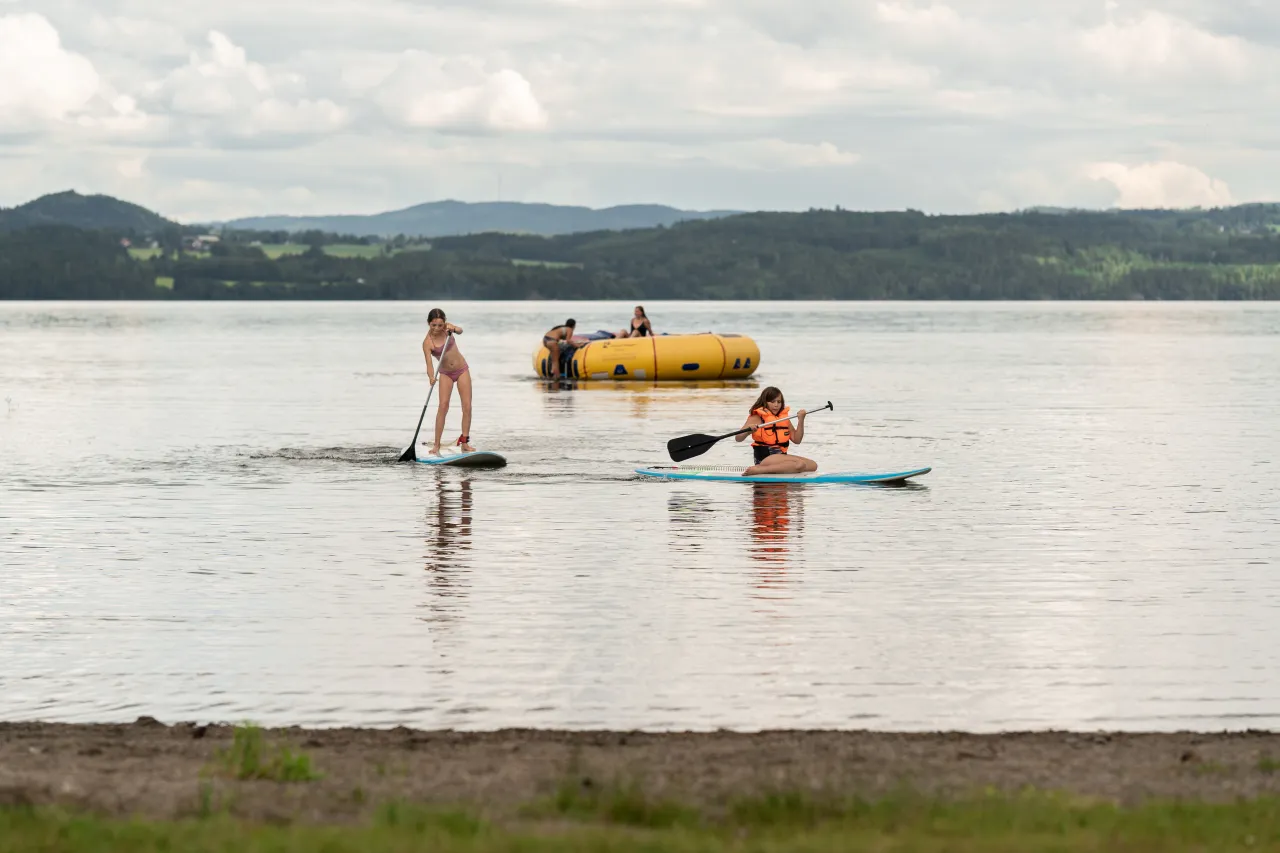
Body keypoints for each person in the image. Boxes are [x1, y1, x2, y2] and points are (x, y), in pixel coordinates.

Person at [422, 307, 474, 455]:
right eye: (433, 325)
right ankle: (436, 446)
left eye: (440, 325)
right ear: (428, 323)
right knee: (443, 406)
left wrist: (454, 328)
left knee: (467, 406)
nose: (437, 328)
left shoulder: (447, 329)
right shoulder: (427, 343)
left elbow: (460, 330)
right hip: (445, 374)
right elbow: (429, 365)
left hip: (462, 370)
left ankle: (464, 443)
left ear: (443, 323)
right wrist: (431, 377)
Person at [735, 386, 817, 476]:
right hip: (765, 458)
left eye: (779, 402)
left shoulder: (783, 418)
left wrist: (801, 420)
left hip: (781, 457)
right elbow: (738, 438)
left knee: (813, 466)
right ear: (765, 402)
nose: (776, 405)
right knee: (800, 465)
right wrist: (748, 431)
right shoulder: (757, 417)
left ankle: (785, 468)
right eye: (772, 401)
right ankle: (759, 469)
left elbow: (797, 440)